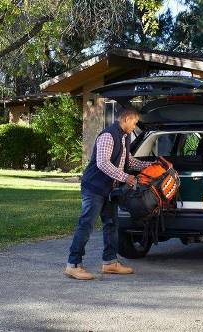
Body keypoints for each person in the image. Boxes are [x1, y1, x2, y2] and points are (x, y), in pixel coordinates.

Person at [64, 108, 152, 280]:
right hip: (94, 188)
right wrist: (126, 177)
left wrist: (150, 165)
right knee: (86, 225)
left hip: (110, 190)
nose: (135, 126)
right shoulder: (108, 135)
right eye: (134, 122)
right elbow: (103, 163)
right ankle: (73, 265)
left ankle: (110, 262)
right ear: (126, 119)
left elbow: (128, 161)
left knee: (112, 225)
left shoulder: (125, 137)